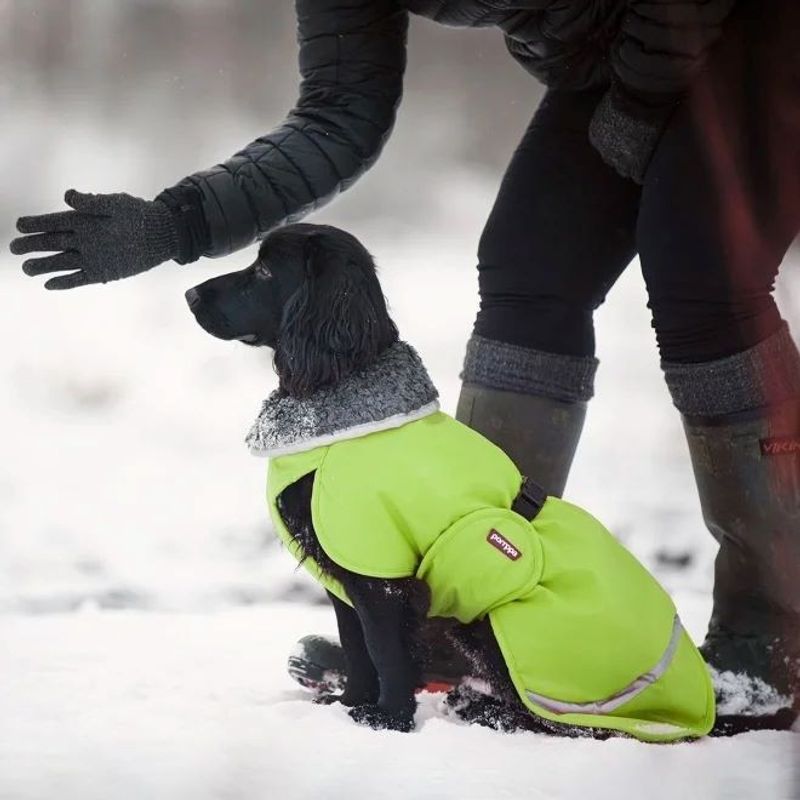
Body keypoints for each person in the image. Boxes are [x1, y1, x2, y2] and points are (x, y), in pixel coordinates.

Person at [10, 0, 800, 724]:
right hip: (612, 63)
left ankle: (772, 646)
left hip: (744, 31)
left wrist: (643, 98)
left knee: (704, 275)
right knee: (528, 269)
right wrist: (172, 224)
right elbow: (337, 116)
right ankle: (469, 611)